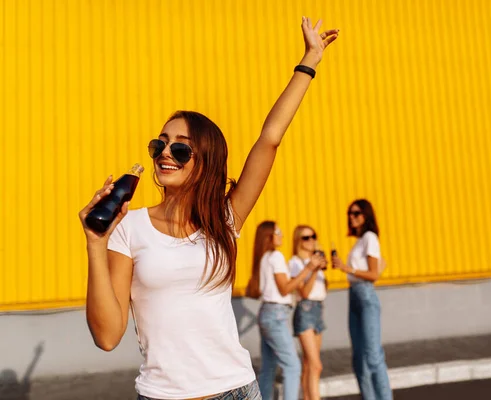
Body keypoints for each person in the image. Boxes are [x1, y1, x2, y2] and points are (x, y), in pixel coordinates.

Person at [78, 17, 338, 400]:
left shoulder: (224, 219)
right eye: (159, 144)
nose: (166, 153)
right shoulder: (128, 227)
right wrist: (94, 245)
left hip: (235, 390)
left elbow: (270, 139)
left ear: (204, 161)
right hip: (161, 394)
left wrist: (310, 61)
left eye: (180, 148)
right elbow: (107, 335)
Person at [246, 221, 326, 400]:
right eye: (278, 232)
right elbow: (285, 289)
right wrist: (309, 268)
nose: (282, 235)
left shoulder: (264, 257)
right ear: (269, 237)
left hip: (266, 313)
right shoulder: (276, 257)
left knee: (268, 368)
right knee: (293, 366)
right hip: (276, 315)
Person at [331, 199, 392, 400]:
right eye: (350, 213)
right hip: (354, 296)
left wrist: (346, 268)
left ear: (366, 216)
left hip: (365, 296)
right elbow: (381, 265)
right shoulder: (360, 241)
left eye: (356, 213)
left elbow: (373, 274)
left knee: (373, 357)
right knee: (359, 360)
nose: (352, 217)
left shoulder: (370, 237)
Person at [289, 225, 327, 400]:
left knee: (309, 364)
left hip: (318, 309)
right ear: (298, 241)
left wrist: (320, 267)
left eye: (313, 236)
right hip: (305, 310)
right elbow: (304, 293)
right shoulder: (295, 263)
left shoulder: (314, 260)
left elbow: (322, 288)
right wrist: (313, 270)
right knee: (316, 365)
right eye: (306, 238)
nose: (311, 240)